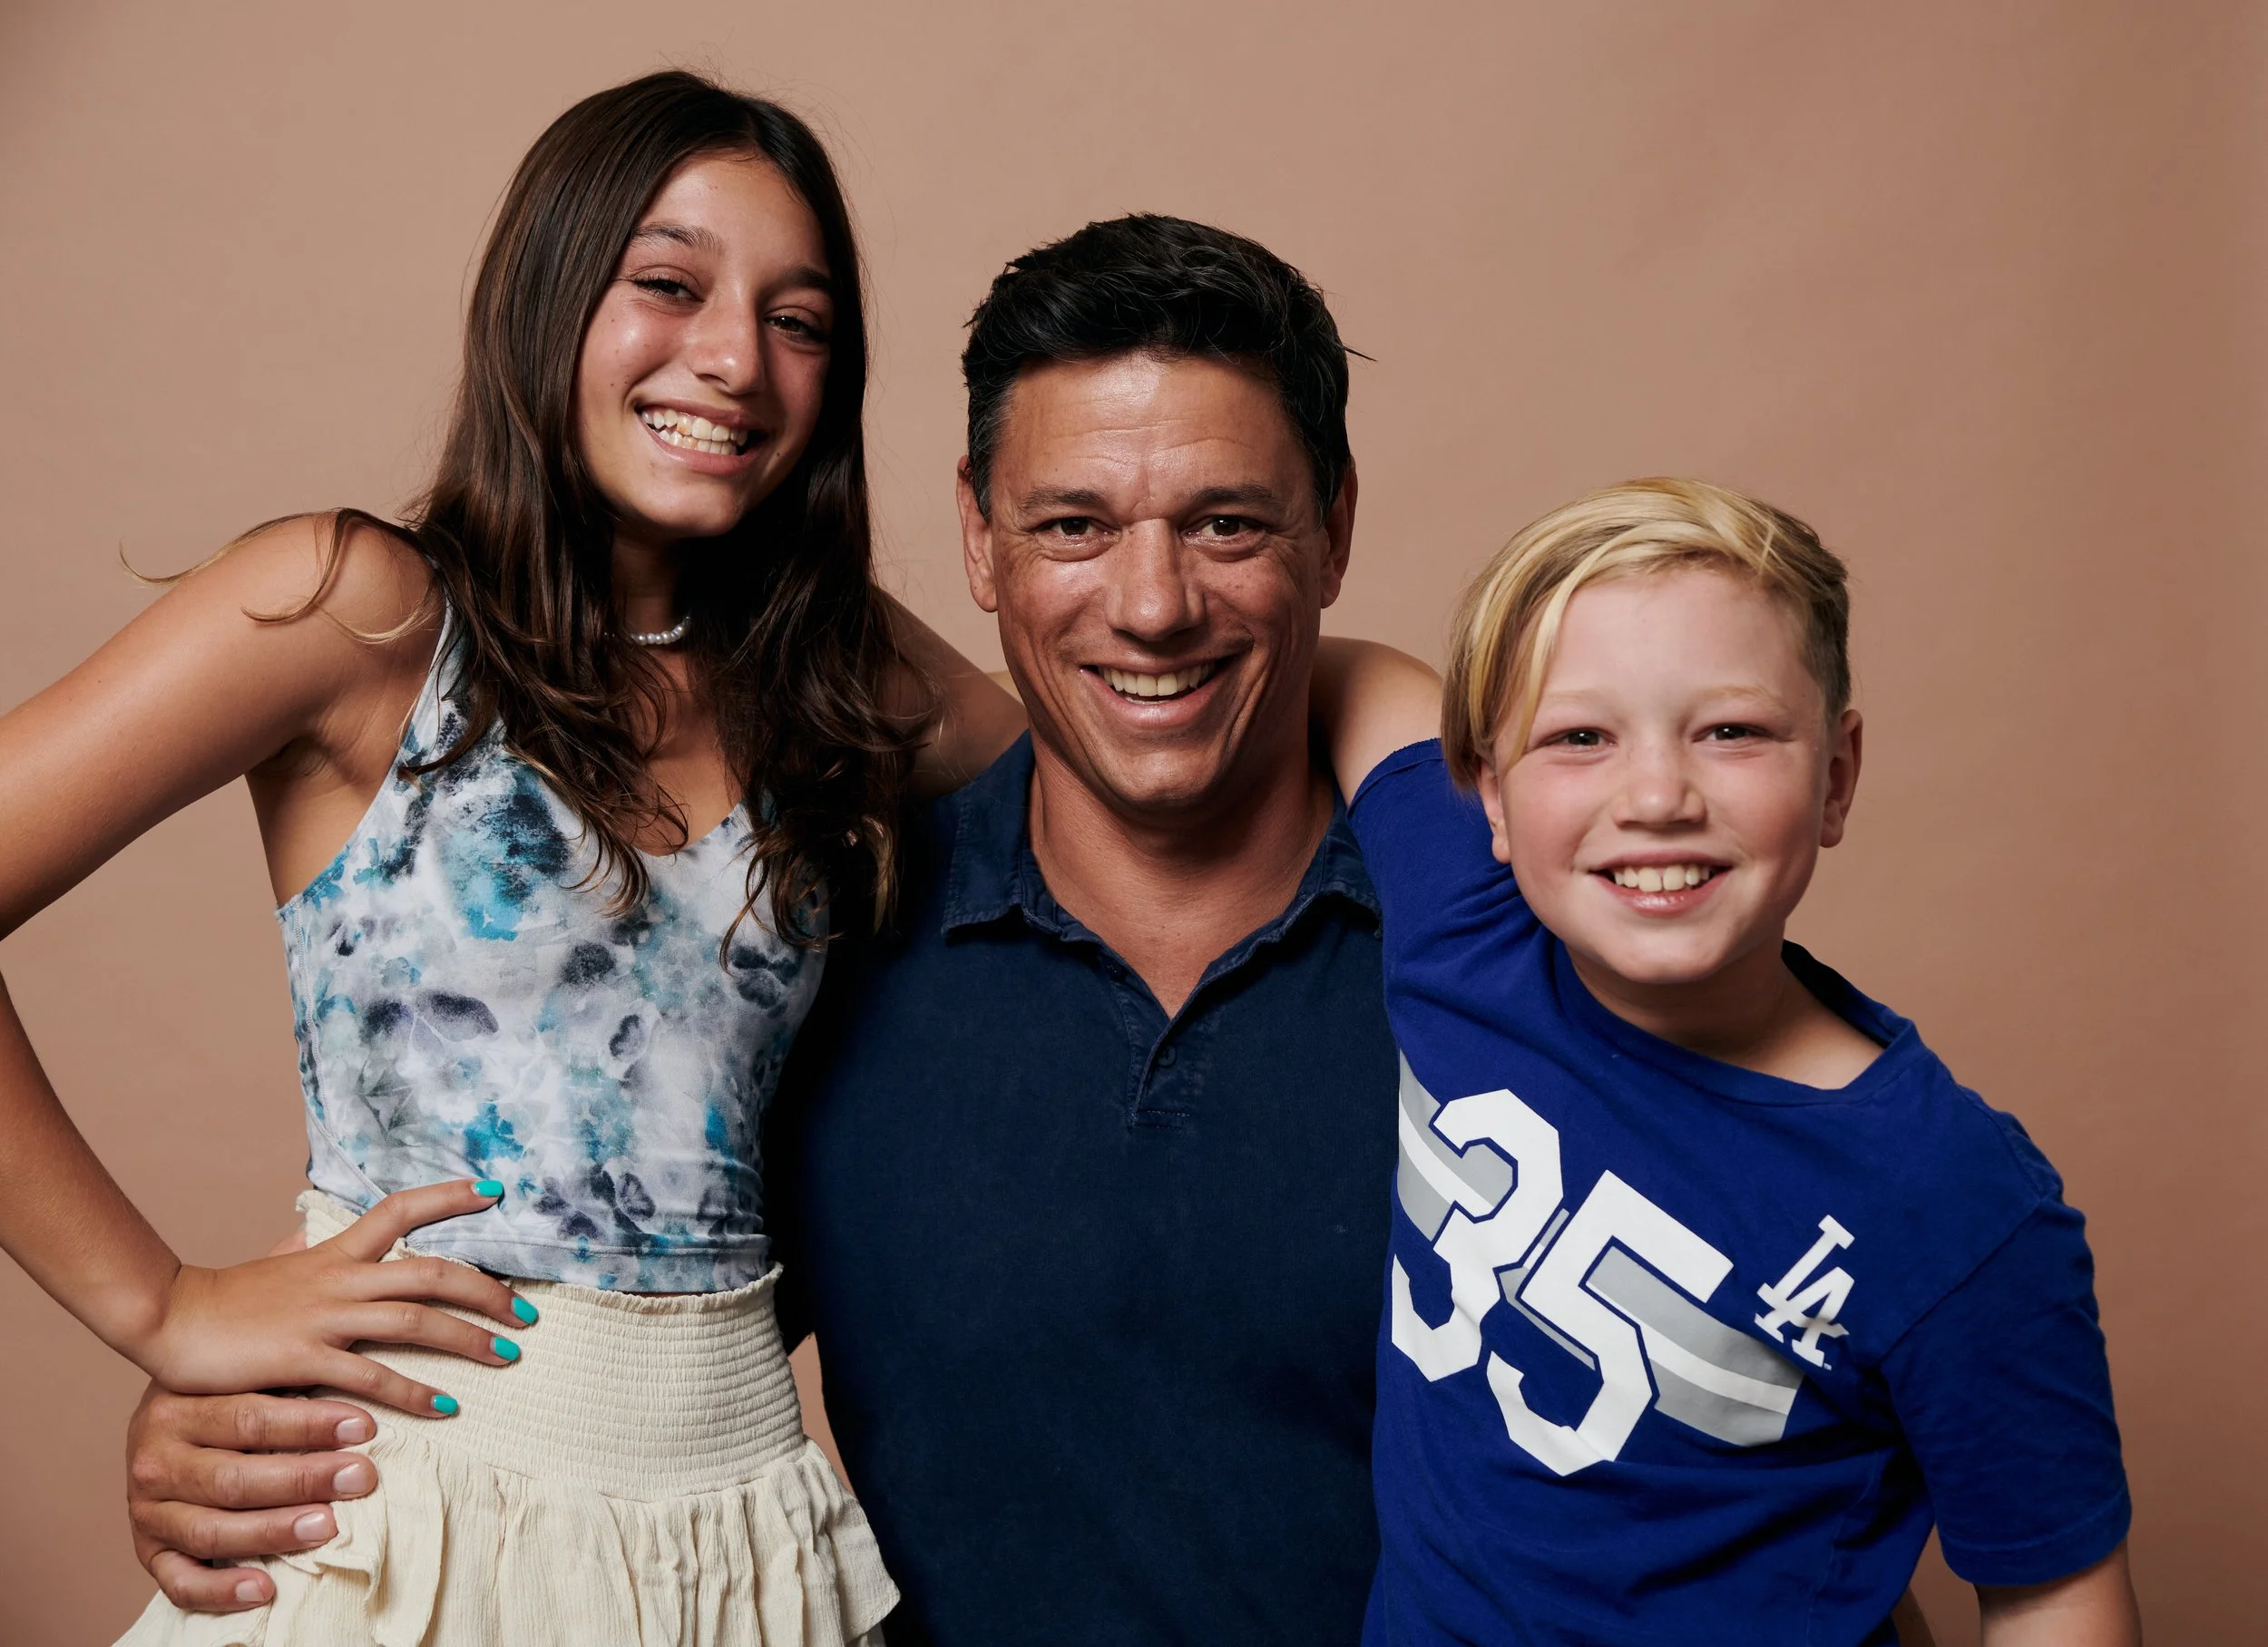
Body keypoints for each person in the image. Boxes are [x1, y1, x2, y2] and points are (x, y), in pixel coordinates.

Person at [0, 70, 1018, 1646]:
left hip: (746, 1520)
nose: (736, 360)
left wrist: (1360, 695)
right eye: (668, 285)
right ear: (547, 297)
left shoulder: (829, 671)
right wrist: (165, 1309)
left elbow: (1120, 780)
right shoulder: (359, 611)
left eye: (801, 321)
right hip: (420, 1509)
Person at [1316, 480, 2138, 1643]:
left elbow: (2055, 1596)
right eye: (1579, 736)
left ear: (1837, 777)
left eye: (1732, 730)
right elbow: (1336, 675)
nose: (1655, 795)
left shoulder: (1955, 1203)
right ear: (1488, 799)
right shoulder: (1467, 922)